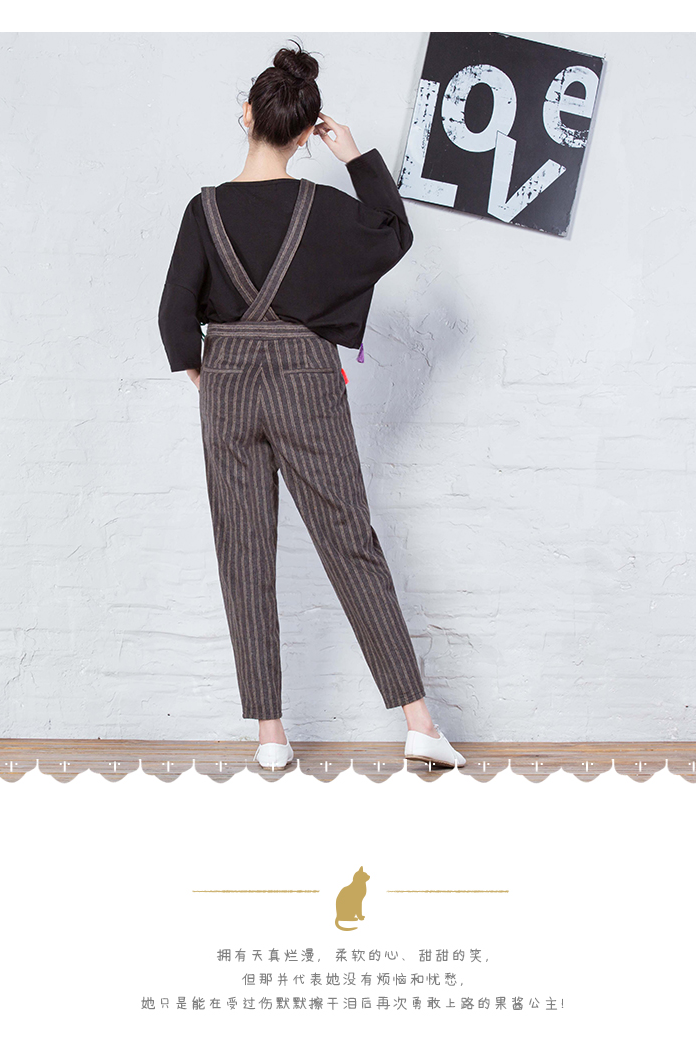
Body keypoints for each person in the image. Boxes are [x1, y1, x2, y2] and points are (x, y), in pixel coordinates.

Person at [158, 43, 465, 771]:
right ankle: (419, 724)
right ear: (304, 135)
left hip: (226, 378)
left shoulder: (204, 211)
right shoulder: (321, 207)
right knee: (349, 540)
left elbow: (174, 315)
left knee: (243, 551)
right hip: (305, 376)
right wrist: (353, 156)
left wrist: (211, 382)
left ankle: (271, 738)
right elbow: (392, 234)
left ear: (246, 116)